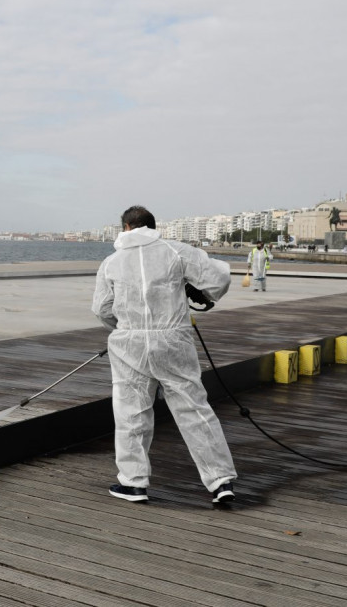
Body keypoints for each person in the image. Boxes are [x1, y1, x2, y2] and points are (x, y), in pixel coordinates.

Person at [92, 206, 237, 504]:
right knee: (194, 408)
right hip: (173, 340)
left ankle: (133, 483)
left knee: (131, 411)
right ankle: (220, 481)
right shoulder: (177, 251)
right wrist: (200, 293)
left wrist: (124, 329)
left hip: (129, 343)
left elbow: (102, 309)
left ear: (126, 227)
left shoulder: (112, 262)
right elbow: (219, 279)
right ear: (153, 226)